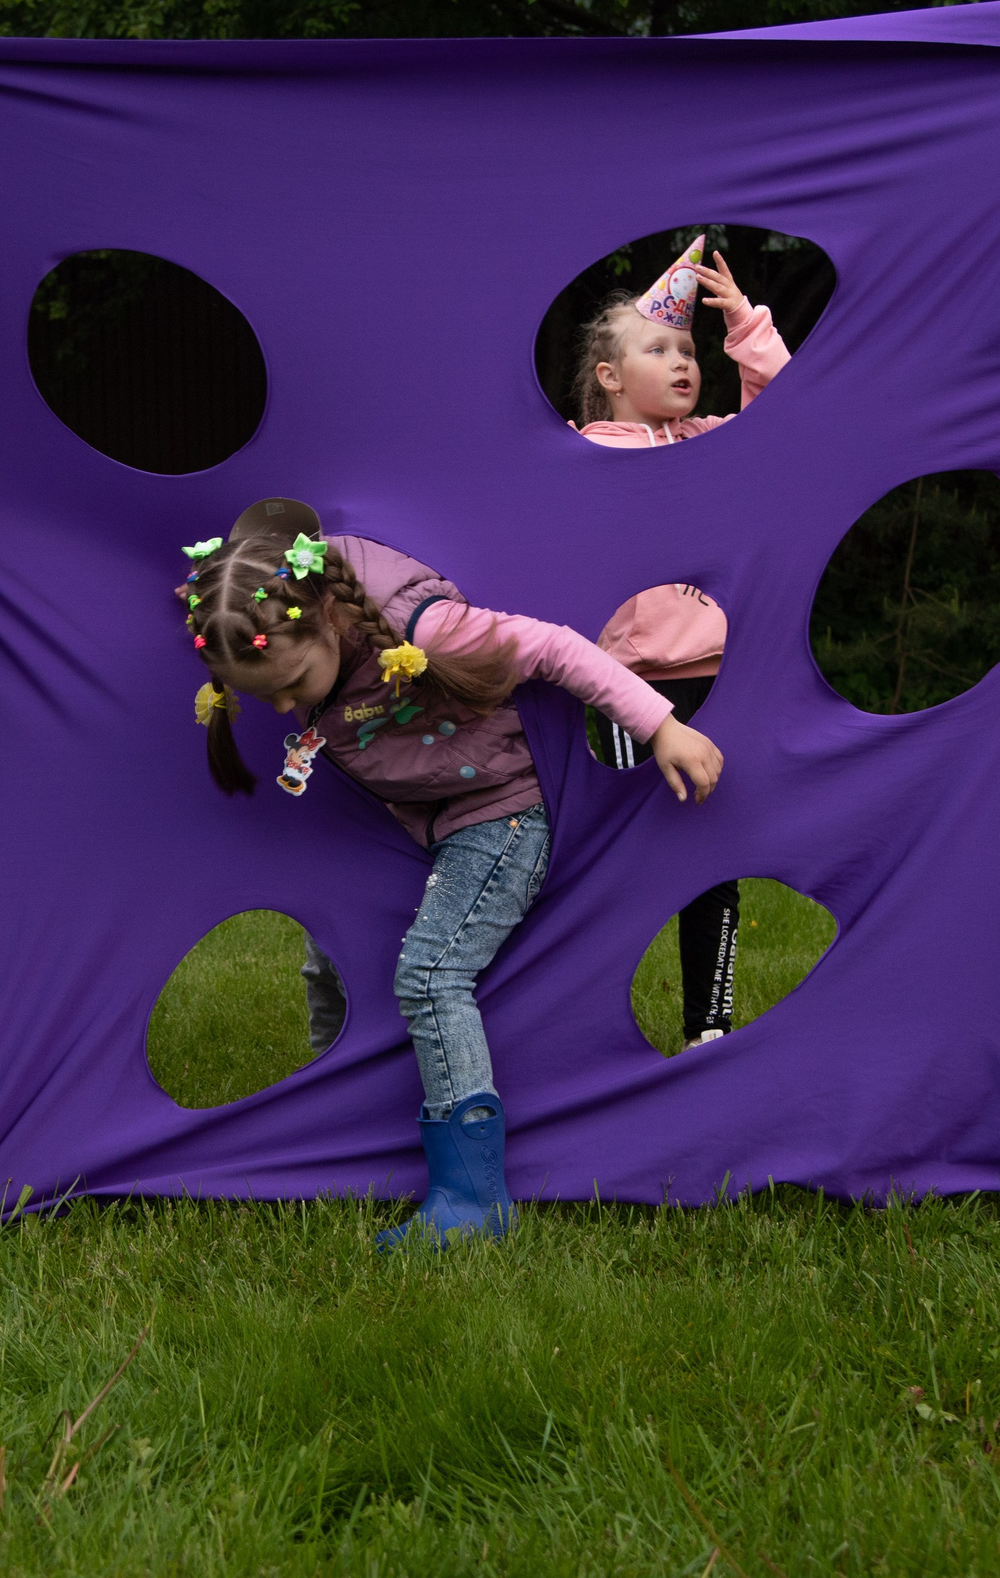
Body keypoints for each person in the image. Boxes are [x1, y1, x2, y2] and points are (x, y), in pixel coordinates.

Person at [182, 498, 725, 1249]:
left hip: (499, 817)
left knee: (431, 972)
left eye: (292, 682)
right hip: (419, 822)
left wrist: (660, 724)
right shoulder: (300, 633)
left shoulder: (424, 630)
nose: (281, 704)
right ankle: (336, 1121)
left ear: (331, 617)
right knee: (333, 956)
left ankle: (474, 1197)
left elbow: (554, 649)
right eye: (263, 695)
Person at [569, 236, 791, 1047]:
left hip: (718, 679)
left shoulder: (710, 438)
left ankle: (712, 1028)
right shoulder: (590, 452)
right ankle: (593, 1025)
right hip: (635, 688)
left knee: (712, 859)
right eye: (657, 349)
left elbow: (788, 420)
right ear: (609, 378)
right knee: (636, 861)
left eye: (688, 349)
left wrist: (744, 326)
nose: (681, 362)